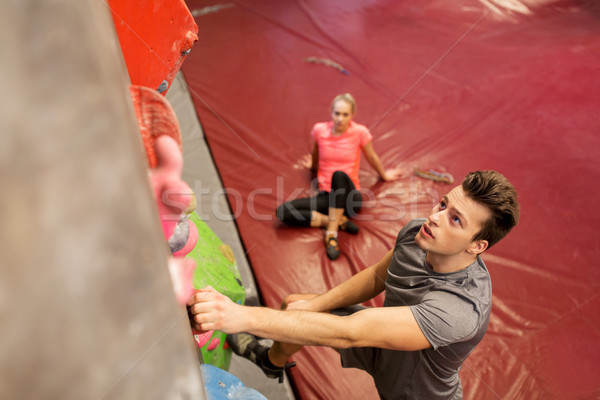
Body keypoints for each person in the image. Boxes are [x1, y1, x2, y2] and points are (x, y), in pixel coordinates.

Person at [188, 170, 520, 400]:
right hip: (380, 344)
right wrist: (313, 306)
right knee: (295, 305)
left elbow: (353, 332)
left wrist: (240, 317)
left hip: (416, 392)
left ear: (477, 246)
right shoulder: (420, 234)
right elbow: (377, 276)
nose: (436, 216)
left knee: (305, 318)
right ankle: (271, 362)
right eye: (444, 204)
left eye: (455, 219)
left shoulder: (460, 309)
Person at [276, 93, 402, 260]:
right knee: (283, 211)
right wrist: (312, 166)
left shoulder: (360, 132)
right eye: (337, 113)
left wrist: (384, 175)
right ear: (331, 112)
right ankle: (336, 221)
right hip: (327, 196)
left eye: (345, 114)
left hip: (350, 198)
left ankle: (331, 235)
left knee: (339, 175)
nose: (340, 119)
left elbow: (371, 157)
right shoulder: (320, 130)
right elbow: (316, 152)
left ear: (352, 115)